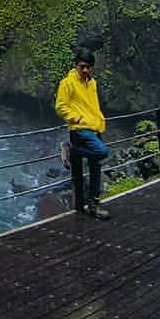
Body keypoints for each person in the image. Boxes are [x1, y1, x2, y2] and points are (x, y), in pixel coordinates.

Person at [55, 47, 110, 219]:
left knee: (96, 166)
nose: (85, 70)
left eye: (88, 67)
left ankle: (94, 204)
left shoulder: (92, 82)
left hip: (94, 128)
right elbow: (60, 106)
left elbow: (92, 105)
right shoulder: (68, 83)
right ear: (76, 65)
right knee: (102, 152)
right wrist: (76, 118)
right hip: (80, 130)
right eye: (82, 66)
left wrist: (99, 120)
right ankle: (72, 151)